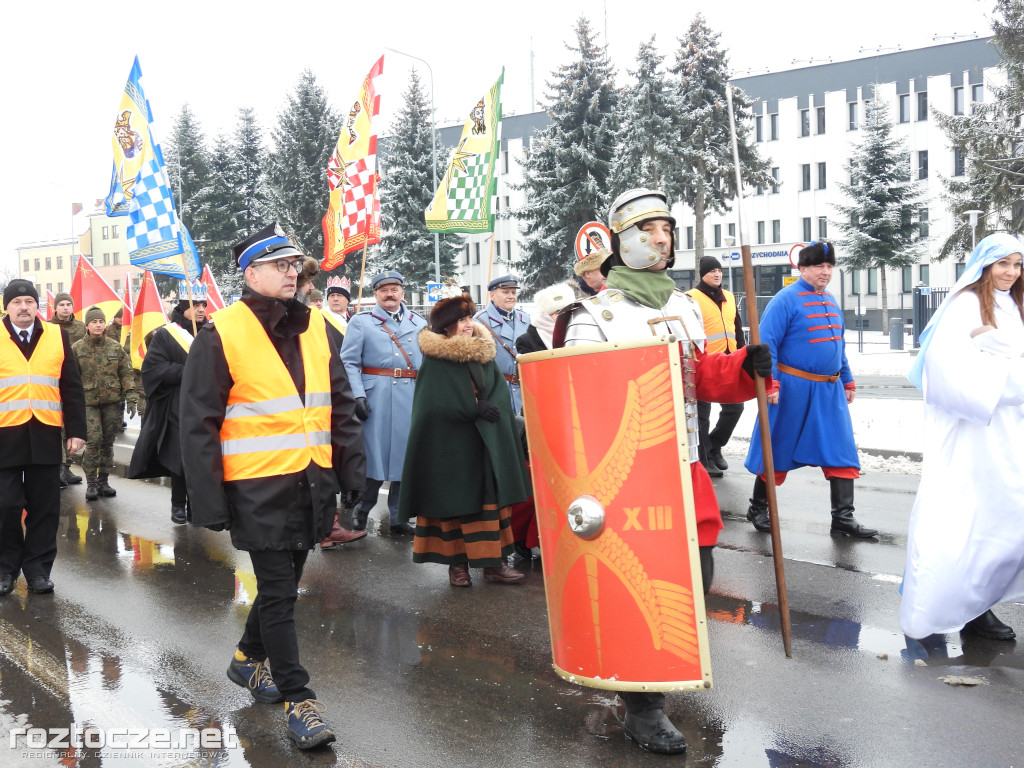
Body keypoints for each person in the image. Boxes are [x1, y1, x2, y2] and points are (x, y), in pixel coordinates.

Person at [555, 188, 771, 755]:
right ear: (623, 241)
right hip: (623, 477)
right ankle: (643, 703)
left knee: (694, 575)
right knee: (636, 585)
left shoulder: (680, 307)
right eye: (649, 229)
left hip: (684, 463)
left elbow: (702, 378)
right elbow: (576, 406)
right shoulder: (592, 317)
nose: (661, 239)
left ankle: (661, 672)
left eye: (667, 230)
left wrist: (744, 367)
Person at [180, 222, 365, 749]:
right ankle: (299, 700)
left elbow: (342, 406)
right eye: (281, 266)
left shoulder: (318, 328)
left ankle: (246, 659)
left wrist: (351, 474)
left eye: (295, 266)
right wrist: (209, 500)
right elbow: (198, 425)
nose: (293, 273)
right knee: (281, 593)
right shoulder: (222, 333)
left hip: (311, 481)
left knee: (283, 582)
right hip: (256, 489)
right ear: (251, 272)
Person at [900, 232, 1024, 642]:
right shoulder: (964, 305)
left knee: (1007, 519)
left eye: (1017, 264)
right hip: (973, 432)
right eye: (1003, 263)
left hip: (1009, 434)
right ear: (985, 264)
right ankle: (970, 610)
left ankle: (984, 597)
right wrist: (1008, 370)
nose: (1010, 272)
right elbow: (950, 371)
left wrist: (999, 351)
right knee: (970, 519)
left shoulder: (1014, 303)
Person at [743, 240, 877, 539]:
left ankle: (843, 517)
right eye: (819, 266)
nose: (825, 272)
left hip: (828, 392)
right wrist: (770, 382)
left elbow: (837, 346)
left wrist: (847, 378)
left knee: (841, 451)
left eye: (829, 266)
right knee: (776, 449)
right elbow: (766, 345)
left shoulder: (830, 300)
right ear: (802, 268)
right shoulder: (785, 299)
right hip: (791, 389)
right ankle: (758, 507)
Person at [398, 288, 531, 586]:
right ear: (446, 326)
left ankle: (493, 564)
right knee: (453, 503)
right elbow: (430, 404)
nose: (468, 324)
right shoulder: (437, 358)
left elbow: (496, 390)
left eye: (469, 317)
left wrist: (492, 408)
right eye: (460, 320)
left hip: (484, 445)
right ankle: (456, 566)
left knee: (488, 500)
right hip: (450, 447)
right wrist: (471, 408)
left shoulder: (484, 353)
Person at [0, 280, 86, 596]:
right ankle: (5, 568)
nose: (24, 307)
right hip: (4, 437)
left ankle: (37, 570)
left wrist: (77, 430)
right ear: (6, 307)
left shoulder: (56, 336)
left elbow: (71, 387)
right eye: (17, 302)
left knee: (45, 507)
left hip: (45, 434)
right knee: (6, 505)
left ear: (38, 306)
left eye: (29, 301)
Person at [340, 271, 426, 535]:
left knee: (405, 456)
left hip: (410, 395)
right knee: (373, 458)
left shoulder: (419, 322)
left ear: (402, 292)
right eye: (383, 290)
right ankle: (362, 510)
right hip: (375, 396)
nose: (390, 294)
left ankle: (399, 516)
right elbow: (349, 362)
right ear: (376, 294)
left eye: (395, 289)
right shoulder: (362, 322)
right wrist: (357, 395)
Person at [128, 284, 208, 524]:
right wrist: (188, 371)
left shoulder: (213, 332)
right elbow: (153, 368)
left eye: (204, 305)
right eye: (195, 305)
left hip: (206, 404)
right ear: (183, 307)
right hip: (177, 404)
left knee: (202, 457)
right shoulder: (166, 334)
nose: (201, 310)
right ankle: (178, 505)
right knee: (180, 457)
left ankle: (198, 506)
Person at [686, 256, 746, 478]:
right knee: (702, 415)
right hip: (703, 363)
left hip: (729, 362)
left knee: (735, 408)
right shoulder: (691, 298)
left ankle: (714, 446)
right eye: (712, 271)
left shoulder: (729, 297)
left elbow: (737, 329)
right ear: (702, 274)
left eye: (719, 270)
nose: (717, 274)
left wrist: (743, 354)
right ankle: (703, 459)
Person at [72, 306, 136, 501]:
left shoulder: (114, 347)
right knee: (93, 442)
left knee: (107, 443)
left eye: (100, 321)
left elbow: (126, 372)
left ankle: (104, 480)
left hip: (112, 402)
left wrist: (132, 395)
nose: (98, 325)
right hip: (87, 403)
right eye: (94, 322)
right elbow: (71, 378)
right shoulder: (77, 348)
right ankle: (91, 482)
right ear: (87, 325)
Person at [474, 275, 530, 414]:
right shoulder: (479, 322)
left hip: (523, 392)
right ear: (492, 295)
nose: (511, 296)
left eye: (513, 292)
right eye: (505, 292)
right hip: (496, 392)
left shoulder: (525, 319)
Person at [49, 291, 86, 487]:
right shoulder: (48, 328)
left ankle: (67, 467)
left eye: (68, 304)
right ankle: (59, 467)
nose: (65, 307)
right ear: (55, 307)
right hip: (53, 383)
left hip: (74, 382)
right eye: (61, 304)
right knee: (58, 427)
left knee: (72, 427)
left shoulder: (81, 328)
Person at [515, 282, 579, 355]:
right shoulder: (527, 341)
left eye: (568, 311)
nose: (565, 315)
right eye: (558, 312)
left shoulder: (580, 332)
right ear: (547, 316)